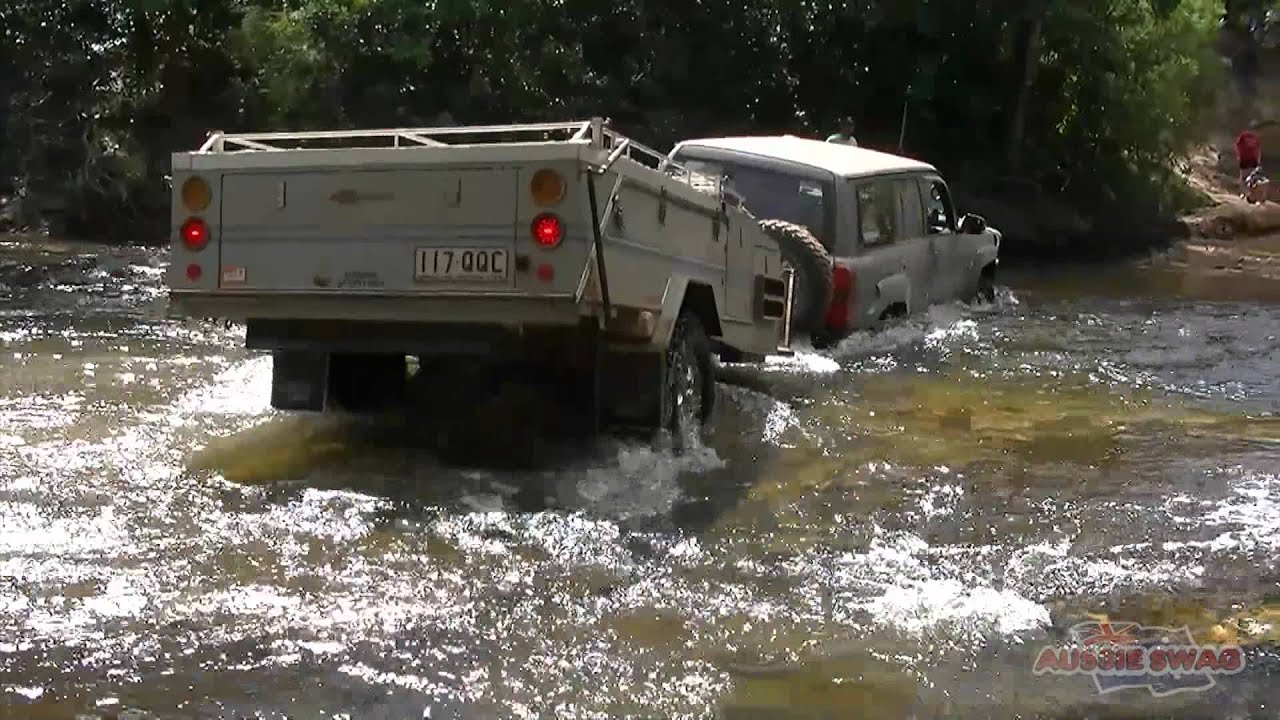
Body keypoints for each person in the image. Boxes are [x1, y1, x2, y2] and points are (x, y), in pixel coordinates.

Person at [1235, 127, 1263, 198]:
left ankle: (1244, 194)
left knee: (1244, 179)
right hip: (1253, 161)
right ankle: (1251, 194)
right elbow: (1258, 149)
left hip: (1245, 161)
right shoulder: (1254, 138)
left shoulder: (1243, 137)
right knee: (1253, 179)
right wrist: (1258, 160)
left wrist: (1239, 156)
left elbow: (1238, 146)